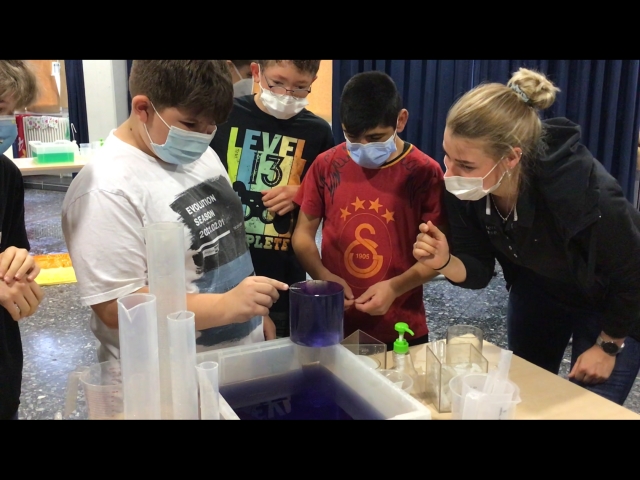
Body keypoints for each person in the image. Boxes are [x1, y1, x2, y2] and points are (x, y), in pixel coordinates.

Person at [413, 67, 640, 405]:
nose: (450, 174)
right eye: (447, 155)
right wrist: (445, 261)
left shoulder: (583, 191)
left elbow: (632, 274)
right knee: (526, 394)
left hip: (609, 298)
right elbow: (478, 270)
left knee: (593, 407)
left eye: (466, 165)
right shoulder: (467, 191)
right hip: (540, 288)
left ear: (510, 158)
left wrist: (608, 345)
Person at [61, 60, 288, 362]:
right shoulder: (105, 189)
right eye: (191, 125)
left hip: (236, 358)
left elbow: (228, 240)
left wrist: (254, 316)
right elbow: (114, 307)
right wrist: (226, 307)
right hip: (167, 371)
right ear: (143, 108)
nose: (203, 136)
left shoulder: (200, 153)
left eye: (211, 126)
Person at [292, 71, 446, 348]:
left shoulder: (425, 172)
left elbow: (440, 256)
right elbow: (303, 235)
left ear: (400, 120)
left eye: (376, 137)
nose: (363, 147)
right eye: (352, 137)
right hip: (334, 323)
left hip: (400, 326)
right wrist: (324, 277)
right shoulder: (326, 165)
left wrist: (395, 287)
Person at [210, 60, 335, 338]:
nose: (287, 95)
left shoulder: (318, 132)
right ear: (257, 72)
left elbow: (332, 198)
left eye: (300, 87)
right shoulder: (225, 116)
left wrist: (302, 193)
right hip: (226, 275)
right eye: (277, 83)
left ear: (312, 82)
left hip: (283, 277)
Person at [0, 60, 45, 420]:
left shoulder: (6, 176)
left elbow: (15, 249)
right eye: (2, 108)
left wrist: (20, 268)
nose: (6, 124)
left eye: (10, 113)